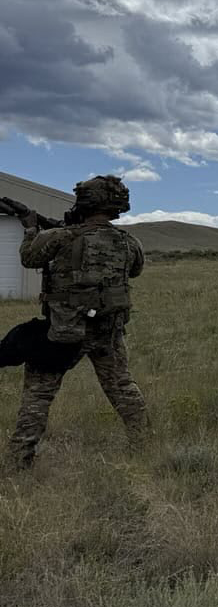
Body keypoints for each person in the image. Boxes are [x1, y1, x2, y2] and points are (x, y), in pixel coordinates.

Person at [8, 175, 149, 468]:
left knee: (39, 394)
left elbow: (29, 257)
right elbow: (134, 271)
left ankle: (19, 461)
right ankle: (144, 446)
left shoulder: (61, 238)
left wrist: (32, 227)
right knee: (122, 386)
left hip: (64, 332)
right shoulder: (129, 242)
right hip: (108, 332)